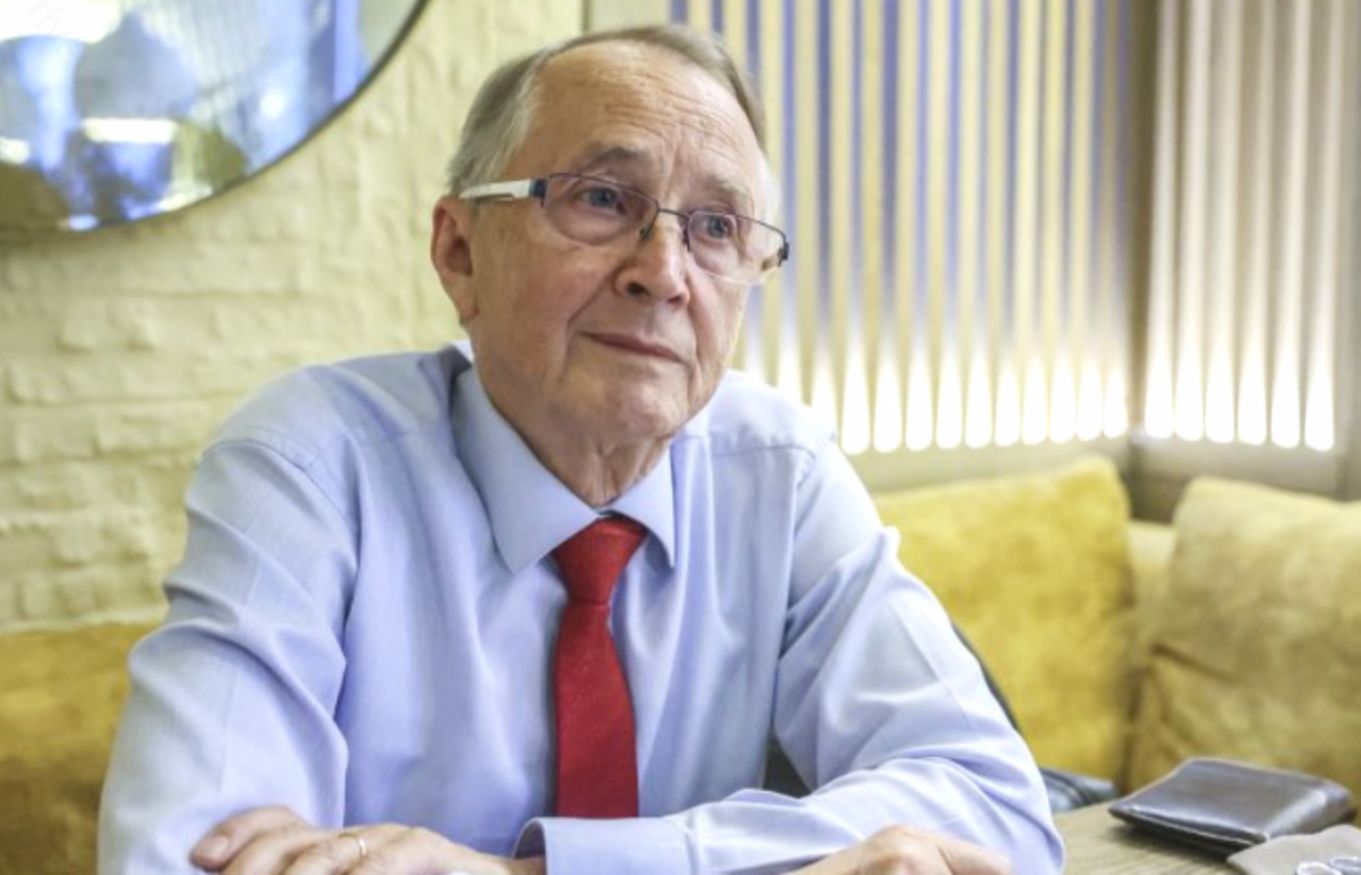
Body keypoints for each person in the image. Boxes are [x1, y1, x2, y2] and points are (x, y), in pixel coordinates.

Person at [97, 24, 1063, 875]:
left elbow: (993, 804)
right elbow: (179, 857)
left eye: (717, 227)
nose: (664, 273)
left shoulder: (780, 469)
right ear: (459, 253)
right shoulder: (310, 464)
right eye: (602, 198)